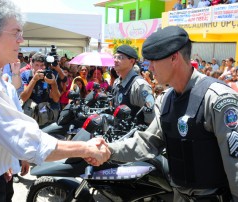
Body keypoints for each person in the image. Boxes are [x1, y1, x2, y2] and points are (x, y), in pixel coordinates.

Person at [0, 1, 110, 201]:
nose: (21, 39)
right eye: (16, 33)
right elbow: (22, 137)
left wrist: (2, 162)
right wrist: (85, 149)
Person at [87, 26, 238, 201]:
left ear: (174, 58)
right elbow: (148, 142)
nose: (149, 67)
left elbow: (235, 164)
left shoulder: (217, 99)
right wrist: (108, 150)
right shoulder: (166, 99)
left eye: (154, 60)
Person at [112, 45, 155, 125]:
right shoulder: (117, 82)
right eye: (114, 57)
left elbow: (151, 119)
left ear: (131, 61)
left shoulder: (140, 86)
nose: (115, 60)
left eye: (120, 57)